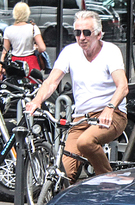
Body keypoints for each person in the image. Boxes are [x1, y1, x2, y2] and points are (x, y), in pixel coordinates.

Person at [25, 10, 128, 183]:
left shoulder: (111, 51)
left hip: (112, 114)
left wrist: (109, 108)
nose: (81, 37)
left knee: (86, 142)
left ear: (98, 34)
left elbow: (123, 86)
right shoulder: (70, 52)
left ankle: (109, 184)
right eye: (77, 33)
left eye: (87, 33)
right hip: (81, 118)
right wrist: (36, 101)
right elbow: (51, 82)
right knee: (63, 174)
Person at [0, 2, 46, 76]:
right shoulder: (33, 28)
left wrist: (1, 66)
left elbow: (5, 51)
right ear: (27, 13)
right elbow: (42, 48)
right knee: (33, 84)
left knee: (15, 85)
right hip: (31, 63)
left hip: (15, 63)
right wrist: (36, 48)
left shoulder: (8, 29)